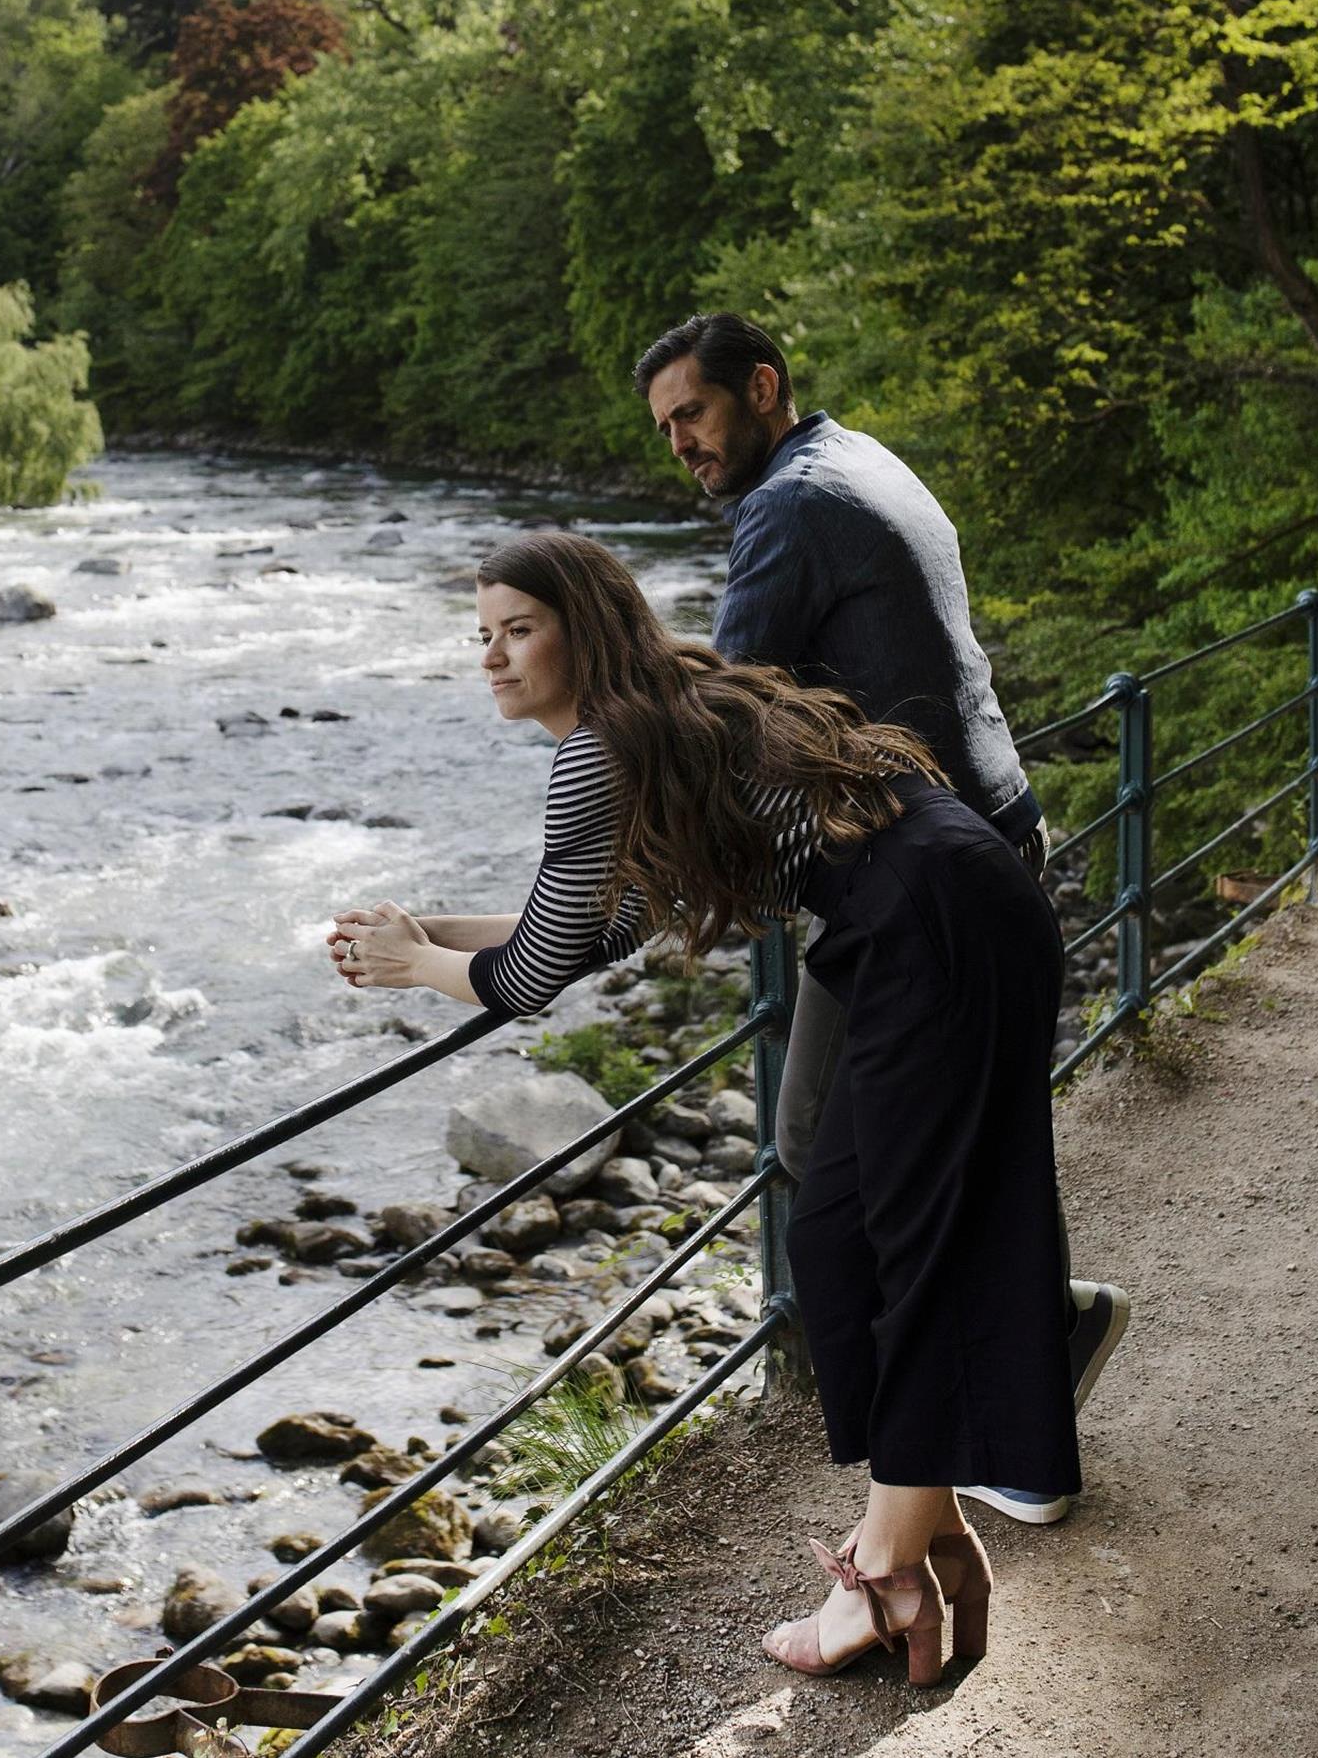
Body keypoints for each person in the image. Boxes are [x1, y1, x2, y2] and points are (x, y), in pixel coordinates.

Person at [330, 529, 1079, 1683]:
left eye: (518, 630)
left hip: (932, 928)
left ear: (583, 624)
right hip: (941, 906)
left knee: (908, 1249)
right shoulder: (658, 713)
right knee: (842, 1241)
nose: (492, 655)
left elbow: (530, 978)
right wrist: (431, 936)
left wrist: (407, 967)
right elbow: (596, 928)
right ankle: (928, 1538)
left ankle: (885, 1577)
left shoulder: (602, 748)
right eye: (482, 634)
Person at [635, 310, 1128, 1527]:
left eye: (692, 415)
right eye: (665, 430)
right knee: (959, 1133)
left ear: (761, 387)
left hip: (916, 874)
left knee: (832, 1149)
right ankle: (1037, 1350)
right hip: (983, 830)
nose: (683, 447)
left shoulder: (787, 510)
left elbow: (727, 720)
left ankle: (988, 1431)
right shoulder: (862, 456)